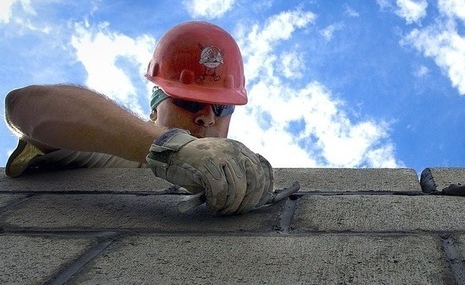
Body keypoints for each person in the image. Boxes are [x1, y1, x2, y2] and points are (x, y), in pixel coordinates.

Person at [4, 20, 277, 216]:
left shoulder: (242, 183)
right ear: (155, 108)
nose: (206, 117)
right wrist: (172, 147)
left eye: (222, 108)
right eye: (188, 102)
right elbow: (24, 105)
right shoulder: (112, 154)